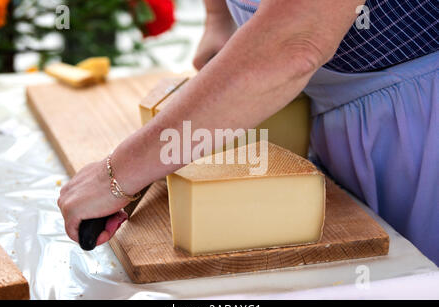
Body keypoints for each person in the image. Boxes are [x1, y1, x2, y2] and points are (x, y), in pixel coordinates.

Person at [58, 0, 438, 264]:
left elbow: (296, 44)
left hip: (420, 128)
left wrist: (118, 173)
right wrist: (219, 19)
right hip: (336, 119)